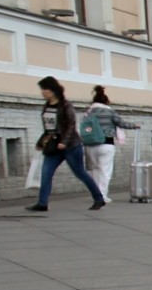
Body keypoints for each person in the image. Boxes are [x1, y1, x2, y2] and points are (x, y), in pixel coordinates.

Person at [27, 76, 106, 212]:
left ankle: (99, 199)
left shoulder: (65, 105)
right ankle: (42, 203)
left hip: (71, 146)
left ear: (52, 90)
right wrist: (41, 141)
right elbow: (48, 127)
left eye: (44, 89)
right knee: (46, 173)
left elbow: (71, 124)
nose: (42, 92)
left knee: (80, 173)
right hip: (53, 146)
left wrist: (64, 141)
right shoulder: (47, 106)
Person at [80, 86, 139, 203]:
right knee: (105, 171)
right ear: (106, 102)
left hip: (89, 145)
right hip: (106, 144)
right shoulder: (110, 111)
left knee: (95, 170)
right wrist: (134, 125)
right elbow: (121, 123)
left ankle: (96, 194)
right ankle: (102, 195)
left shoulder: (88, 112)